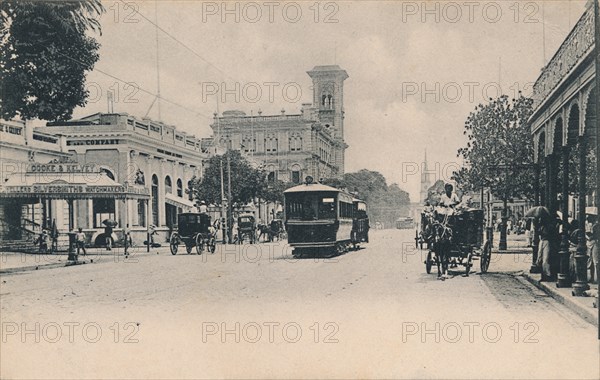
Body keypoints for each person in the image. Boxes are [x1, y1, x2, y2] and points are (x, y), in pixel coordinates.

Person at [586, 214, 598, 283]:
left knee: (595, 261)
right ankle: (592, 277)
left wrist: (591, 236)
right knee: (590, 261)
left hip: (594, 243)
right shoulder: (590, 226)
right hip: (589, 243)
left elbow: (595, 236)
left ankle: (594, 278)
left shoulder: (596, 226)